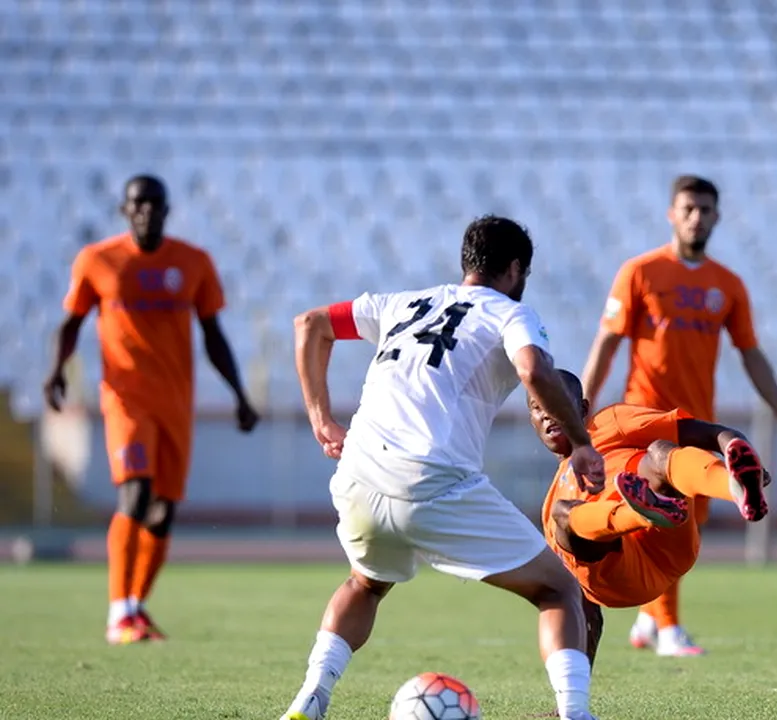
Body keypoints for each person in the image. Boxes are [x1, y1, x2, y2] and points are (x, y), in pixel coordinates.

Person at [279, 216, 607, 720]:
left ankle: (310, 697)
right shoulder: (508, 313)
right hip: (431, 478)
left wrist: (321, 417)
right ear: (516, 269)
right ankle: (576, 715)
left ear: (466, 262)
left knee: (365, 583)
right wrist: (582, 443)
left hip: (358, 473)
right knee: (558, 587)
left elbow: (310, 324)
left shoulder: (401, 302)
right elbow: (533, 370)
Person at [580, 174, 777, 657]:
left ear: (716, 216)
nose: (696, 217)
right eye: (687, 208)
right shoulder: (640, 272)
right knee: (664, 509)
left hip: (699, 421)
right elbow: (608, 341)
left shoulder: (726, 285)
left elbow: (751, 353)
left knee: (681, 525)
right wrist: (580, 403)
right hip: (645, 416)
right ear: (671, 214)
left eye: (705, 209)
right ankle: (668, 629)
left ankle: (647, 620)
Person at [43, 174, 259, 645]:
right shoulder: (97, 260)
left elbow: (214, 334)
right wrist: (57, 370)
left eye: (154, 203)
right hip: (126, 400)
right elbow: (72, 322)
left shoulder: (193, 263)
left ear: (166, 210)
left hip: (176, 404)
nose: (146, 211)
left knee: (163, 514)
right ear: (124, 210)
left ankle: (135, 608)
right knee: (136, 496)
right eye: (137, 204)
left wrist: (240, 394)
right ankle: (117, 613)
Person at [531, 369, 770, 664]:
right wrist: (571, 700)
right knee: (562, 513)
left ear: (582, 409)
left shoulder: (609, 423)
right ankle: (639, 512)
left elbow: (707, 433)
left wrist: (735, 449)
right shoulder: (552, 499)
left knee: (659, 453)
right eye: (537, 407)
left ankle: (734, 489)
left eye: (556, 402)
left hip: (670, 545)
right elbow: (580, 605)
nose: (547, 414)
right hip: (619, 575)